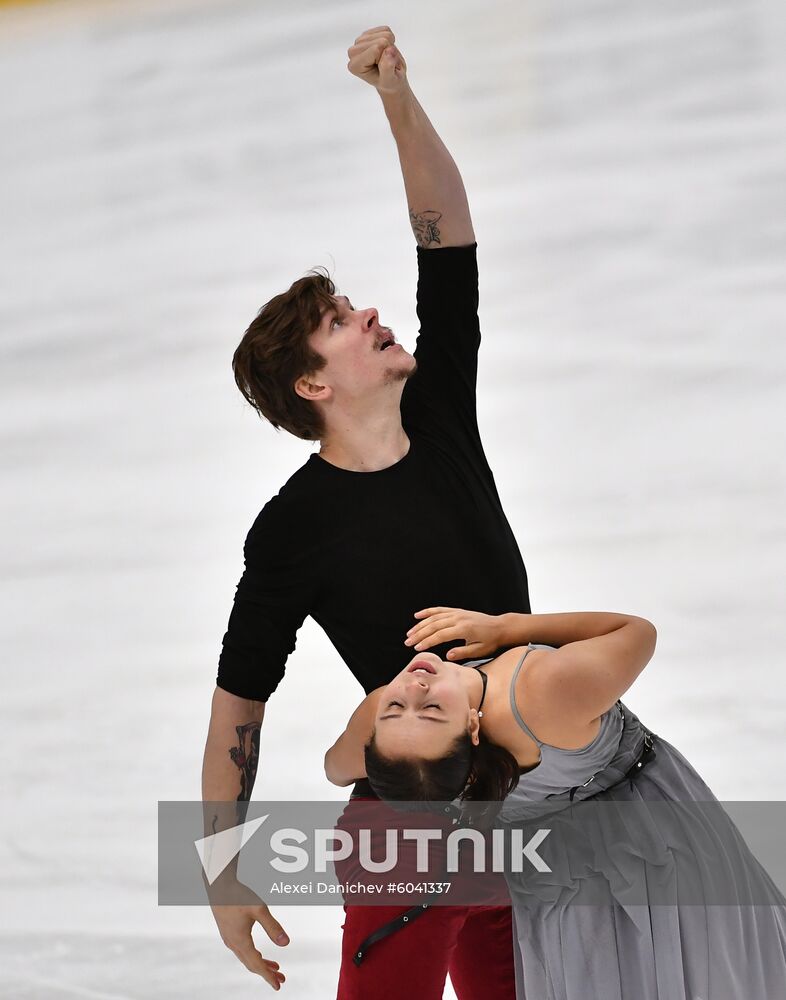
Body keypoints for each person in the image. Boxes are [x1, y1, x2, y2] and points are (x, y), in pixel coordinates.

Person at [202, 25, 530, 997]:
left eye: (352, 305)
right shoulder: (295, 529)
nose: (370, 316)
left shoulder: (440, 409)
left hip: (522, 815)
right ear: (311, 385)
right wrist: (221, 873)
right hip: (406, 841)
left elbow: (448, 233)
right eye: (342, 323)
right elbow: (239, 700)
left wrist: (395, 95)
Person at [325, 605, 786, 999]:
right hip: (632, 841)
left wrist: (393, 738)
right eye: (427, 711)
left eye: (401, 708)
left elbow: (335, 768)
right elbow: (637, 632)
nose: (411, 689)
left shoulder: (382, 718)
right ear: (471, 728)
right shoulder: (545, 691)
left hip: (594, 855)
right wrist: (510, 628)